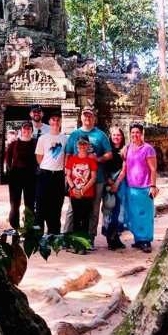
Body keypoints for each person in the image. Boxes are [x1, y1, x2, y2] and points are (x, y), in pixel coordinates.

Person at [64, 106, 112, 249]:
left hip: (96, 179)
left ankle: (89, 238)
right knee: (73, 209)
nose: (87, 118)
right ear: (81, 118)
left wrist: (97, 159)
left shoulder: (100, 135)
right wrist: (66, 176)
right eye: (85, 116)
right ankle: (67, 236)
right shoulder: (74, 135)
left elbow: (109, 154)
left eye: (90, 116)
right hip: (76, 179)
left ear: (94, 118)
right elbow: (67, 154)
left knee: (94, 209)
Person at [116, 123, 158, 253]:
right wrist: (116, 183)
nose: (135, 135)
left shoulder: (148, 149)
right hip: (131, 188)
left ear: (142, 133)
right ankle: (138, 240)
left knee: (145, 215)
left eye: (137, 132)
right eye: (133, 132)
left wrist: (153, 186)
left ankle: (146, 241)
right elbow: (124, 170)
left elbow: (153, 169)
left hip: (145, 187)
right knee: (134, 215)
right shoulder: (127, 148)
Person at [35, 111, 67, 234]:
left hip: (58, 175)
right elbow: (39, 157)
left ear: (60, 122)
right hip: (44, 174)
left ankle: (54, 233)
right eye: (53, 119)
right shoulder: (43, 138)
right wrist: (47, 166)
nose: (55, 122)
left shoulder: (65, 139)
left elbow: (66, 156)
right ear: (49, 122)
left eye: (58, 119)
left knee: (56, 205)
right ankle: (38, 234)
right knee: (41, 204)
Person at [65, 136, 97, 254]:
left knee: (85, 219)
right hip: (74, 192)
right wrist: (73, 188)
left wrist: (83, 190)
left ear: (88, 146)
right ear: (77, 146)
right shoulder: (72, 159)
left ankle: (83, 246)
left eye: (84, 144)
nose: (82, 146)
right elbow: (68, 175)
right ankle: (76, 245)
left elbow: (93, 178)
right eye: (80, 144)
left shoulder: (91, 161)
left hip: (87, 193)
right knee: (76, 219)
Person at [5, 121, 37, 229]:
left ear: (32, 131)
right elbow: (8, 158)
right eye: (25, 128)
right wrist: (11, 170)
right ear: (21, 130)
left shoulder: (35, 143)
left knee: (30, 203)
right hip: (16, 175)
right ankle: (15, 227)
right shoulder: (13, 144)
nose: (26, 131)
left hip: (31, 175)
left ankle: (28, 227)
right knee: (15, 203)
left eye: (29, 129)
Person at [102, 126, 127, 250]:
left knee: (120, 211)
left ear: (122, 137)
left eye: (119, 135)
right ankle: (109, 238)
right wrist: (109, 181)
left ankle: (116, 236)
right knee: (109, 209)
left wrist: (116, 183)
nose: (116, 137)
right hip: (108, 182)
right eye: (114, 135)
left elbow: (124, 168)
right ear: (110, 137)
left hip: (120, 182)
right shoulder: (107, 151)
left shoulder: (125, 151)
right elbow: (103, 167)